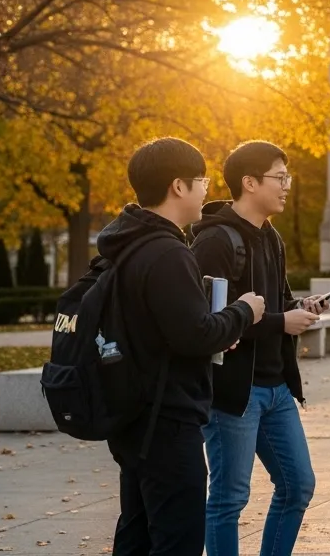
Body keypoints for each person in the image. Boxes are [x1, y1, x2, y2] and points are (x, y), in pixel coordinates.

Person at [102, 137, 265, 556]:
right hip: (167, 418)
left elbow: (168, 329)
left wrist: (214, 326)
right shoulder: (167, 252)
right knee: (178, 539)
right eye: (202, 182)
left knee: (137, 533)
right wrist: (242, 312)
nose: (207, 191)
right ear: (179, 186)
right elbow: (193, 334)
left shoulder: (123, 244)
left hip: (132, 413)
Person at [192, 141, 322, 556]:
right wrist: (282, 322)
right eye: (279, 177)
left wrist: (298, 308)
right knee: (229, 498)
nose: (287, 186)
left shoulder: (272, 237)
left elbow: (277, 300)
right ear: (249, 182)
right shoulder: (215, 241)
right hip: (234, 392)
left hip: (276, 387)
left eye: (288, 177)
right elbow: (211, 323)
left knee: (298, 484)